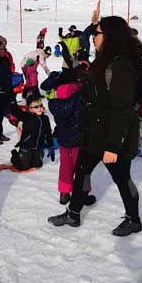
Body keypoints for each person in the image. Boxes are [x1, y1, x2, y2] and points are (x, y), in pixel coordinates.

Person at [48, 15, 142, 237]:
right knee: (82, 171)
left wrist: (113, 146)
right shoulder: (104, 61)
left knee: (122, 178)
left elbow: (123, 110)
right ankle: (73, 214)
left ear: (109, 36)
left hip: (114, 138)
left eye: (97, 33)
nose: (93, 38)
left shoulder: (121, 65)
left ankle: (133, 219)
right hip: (95, 133)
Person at [48, 65, 90, 205]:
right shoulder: (79, 96)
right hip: (78, 138)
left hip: (63, 138)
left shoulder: (57, 97)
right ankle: (82, 194)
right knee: (81, 167)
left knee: (65, 165)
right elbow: (83, 117)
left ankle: (64, 193)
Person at [9, 94, 54, 171]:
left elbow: (48, 132)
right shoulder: (27, 117)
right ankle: (15, 155)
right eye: (36, 107)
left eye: (40, 106)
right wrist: (13, 103)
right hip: (26, 146)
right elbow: (16, 112)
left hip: (38, 147)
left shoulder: (45, 118)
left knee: (38, 165)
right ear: (30, 109)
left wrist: (51, 146)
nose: (39, 108)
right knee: (23, 167)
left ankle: (34, 157)